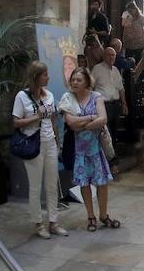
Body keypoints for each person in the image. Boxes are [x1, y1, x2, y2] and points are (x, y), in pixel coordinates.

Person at [59, 67, 118, 231]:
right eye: (73, 80)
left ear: (87, 82)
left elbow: (103, 119)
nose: (75, 83)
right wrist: (92, 118)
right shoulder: (68, 98)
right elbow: (70, 123)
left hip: (96, 149)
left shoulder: (96, 96)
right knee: (84, 184)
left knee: (102, 183)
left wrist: (83, 125)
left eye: (78, 80)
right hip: (79, 151)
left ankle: (103, 215)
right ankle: (90, 216)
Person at [12, 61, 66, 239]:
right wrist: (37, 116)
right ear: (36, 77)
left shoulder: (49, 95)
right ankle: (38, 223)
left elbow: (52, 119)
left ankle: (53, 221)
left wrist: (57, 141)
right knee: (35, 186)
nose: (48, 77)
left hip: (49, 142)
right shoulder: (22, 96)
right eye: (45, 74)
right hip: (33, 145)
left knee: (52, 184)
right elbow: (16, 122)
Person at [90, 46, 126, 157]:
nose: (111, 57)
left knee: (114, 132)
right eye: (109, 55)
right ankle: (107, 159)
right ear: (104, 56)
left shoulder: (116, 70)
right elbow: (90, 87)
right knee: (106, 132)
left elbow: (121, 89)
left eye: (113, 55)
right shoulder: (97, 69)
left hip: (115, 105)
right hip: (103, 105)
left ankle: (112, 156)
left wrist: (124, 104)